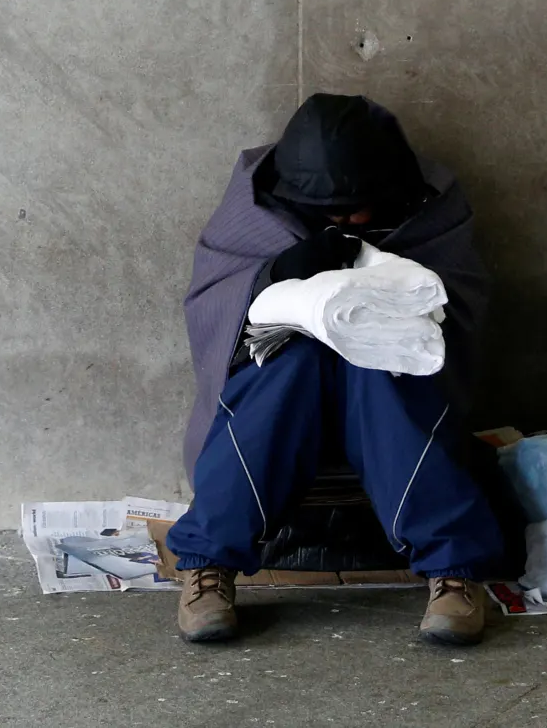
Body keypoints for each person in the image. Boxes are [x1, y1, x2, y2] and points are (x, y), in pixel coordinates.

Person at [167, 93, 510, 646]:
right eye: (327, 212)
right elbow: (211, 302)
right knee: (285, 368)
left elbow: (462, 303)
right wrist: (275, 272)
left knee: (383, 366)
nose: (344, 221)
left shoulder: (430, 201)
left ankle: (454, 572)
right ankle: (207, 566)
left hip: (382, 386)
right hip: (285, 381)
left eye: (355, 209)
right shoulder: (255, 202)